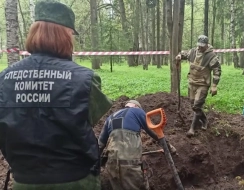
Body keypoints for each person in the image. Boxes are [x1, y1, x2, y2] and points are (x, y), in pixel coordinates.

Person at [0, 1, 112, 190]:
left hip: (24, 181)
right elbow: (91, 118)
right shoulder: (85, 79)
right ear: (64, 35)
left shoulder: (4, 80)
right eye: (71, 34)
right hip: (76, 181)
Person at [99, 100, 176, 190]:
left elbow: (100, 145)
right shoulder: (137, 111)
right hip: (129, 163)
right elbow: (154, 132)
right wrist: (169, 147)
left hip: (111, 165)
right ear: (136, 106)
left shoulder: (110, 118)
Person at [175, 35, 222, 137]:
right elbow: (184, 54)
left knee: (197, 105)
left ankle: (192, 128)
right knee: (193, 105)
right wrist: (179, 56)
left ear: (206, 45)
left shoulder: (211, 56)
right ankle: (204, 119)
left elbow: (217, 71)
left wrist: (214, 85)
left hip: (203, 84)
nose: (200, 47)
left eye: (202, 46)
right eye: (199, 45)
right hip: (192, 82)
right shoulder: (193, 52)